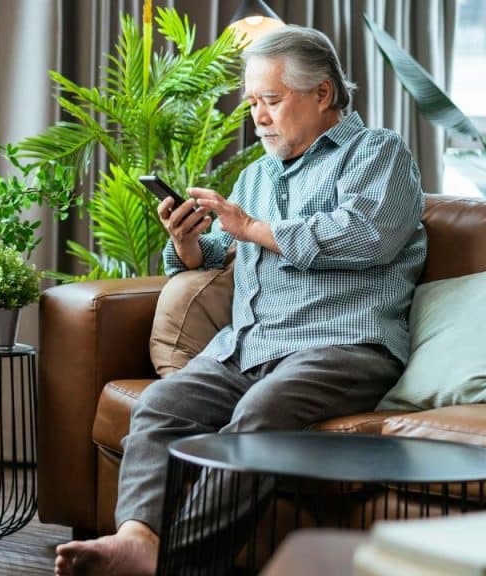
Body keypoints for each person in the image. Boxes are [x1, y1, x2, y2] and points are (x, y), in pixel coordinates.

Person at [54, 25, 427, 576]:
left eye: (271, 101)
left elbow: (365, 235)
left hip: (344, 346)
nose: (258, 116)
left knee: (261, 412)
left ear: (322, 94)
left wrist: (251, 227)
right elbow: (214, 252)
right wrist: (186, 241)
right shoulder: (256, 174)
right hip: (249, 348)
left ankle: (177, 564)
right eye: (252, 102)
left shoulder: (377, 153)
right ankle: (136, 538)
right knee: (159, 406)